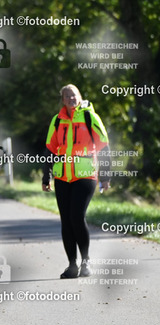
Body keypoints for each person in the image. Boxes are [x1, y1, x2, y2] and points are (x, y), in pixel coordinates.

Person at [42, 84, 111, 278]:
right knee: (66, 221)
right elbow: (50, 149)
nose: (71, 98)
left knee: (77, 217)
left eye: (74, 95)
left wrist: (105, 176)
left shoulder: (90, 117)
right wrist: (46, 176)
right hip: (63, 177)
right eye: (67, 96)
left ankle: (86, 262)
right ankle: (72, 265)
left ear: (80, 96)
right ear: (63, 100)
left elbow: (104, 147)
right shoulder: (57, 120)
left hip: (85, 175)